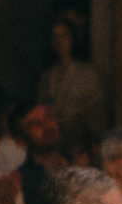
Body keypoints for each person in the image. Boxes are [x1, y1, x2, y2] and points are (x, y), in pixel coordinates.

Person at [37, 18, 105, 154]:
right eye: (55, 37)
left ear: (73, 39)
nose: (60, 41)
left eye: (64, 36)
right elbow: (41, 107)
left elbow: (96, 112)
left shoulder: (86, 73)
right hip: (53, 143)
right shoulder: (47, 76)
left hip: (80, 144)